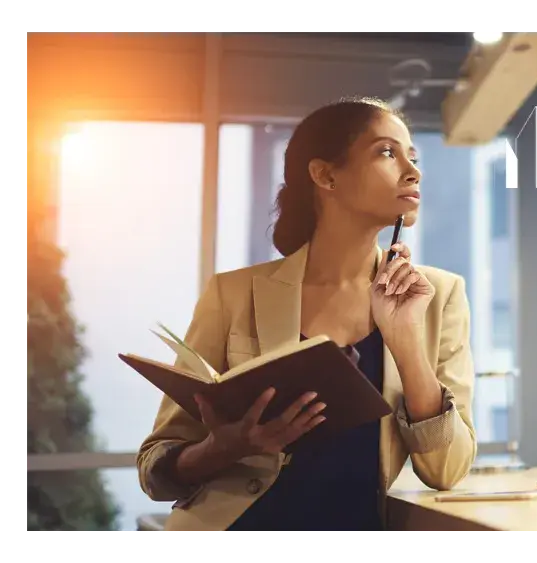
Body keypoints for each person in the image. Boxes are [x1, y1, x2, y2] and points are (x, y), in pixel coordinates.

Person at [136, 96, 477, 535]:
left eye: (413, 156)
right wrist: (224, 448)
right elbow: (155, 467)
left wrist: (405, 341)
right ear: (325, 175)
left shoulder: (439, 296)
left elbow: (447, 471)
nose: (413, 171)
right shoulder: (233, 294)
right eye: (387, 152)